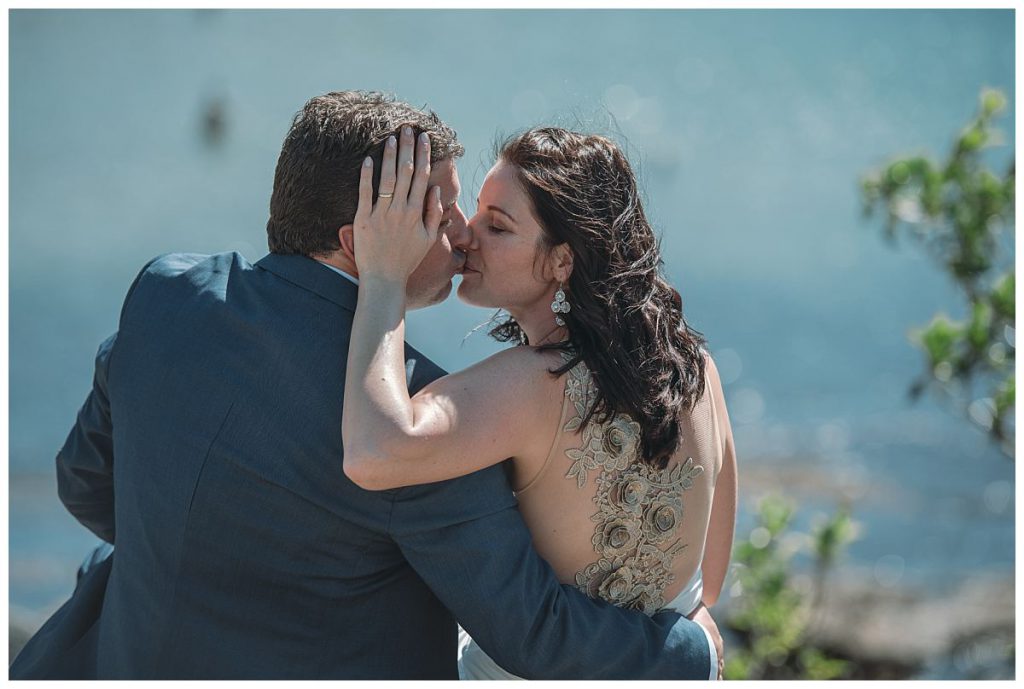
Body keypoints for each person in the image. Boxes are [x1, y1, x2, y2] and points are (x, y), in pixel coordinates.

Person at [10, 91, 722, 680]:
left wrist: (196, 551)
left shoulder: (167, 293)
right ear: (363, 241)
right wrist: (694, 646)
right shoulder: (420, 415)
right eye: (440, 215)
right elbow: (535, 633)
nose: (462, 235)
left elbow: (83, 482)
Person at [341, 125, 738, 680]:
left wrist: (382, 278)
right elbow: (710, 581)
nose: (467, 235)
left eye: (497, 226)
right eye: (477, 212)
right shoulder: (698, 370)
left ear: (561, 262)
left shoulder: (533, 385)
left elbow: (373, 450)